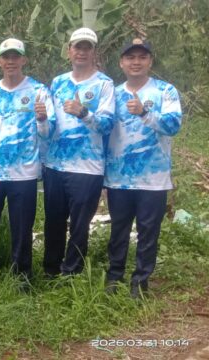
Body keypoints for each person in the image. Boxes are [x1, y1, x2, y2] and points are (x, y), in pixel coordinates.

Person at [0, 38, 55, 287]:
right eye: (5, 57)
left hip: (25, 174)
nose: (10, 61)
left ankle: (22, 277)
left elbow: (49, 133)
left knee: (22, 230)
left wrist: (42, 119)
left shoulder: (39, 91)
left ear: (24, 60)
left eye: (15, 56)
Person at [104, 38, 182, 299]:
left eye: (142, 57)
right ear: (121, 63)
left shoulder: (165, 91)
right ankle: (114, 277)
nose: (136, 62)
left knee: (148, 232)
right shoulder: (112, 93)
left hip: (153, 179)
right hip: (118, 179)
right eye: (130, 57)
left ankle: (140, 282)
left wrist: (144, 113)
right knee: (119, 230)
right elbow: (104, 131)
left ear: (150, 61)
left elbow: (173, 125)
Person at [43, 28, 115, 277]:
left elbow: (107, 125)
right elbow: (49, 124)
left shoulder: (105, 84)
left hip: (87, 168)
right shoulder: (58, 82)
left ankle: (71, 273)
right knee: (53, 221)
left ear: (94, 52)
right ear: (69, 51)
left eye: (87, 47)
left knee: (79, 225)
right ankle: (50, 271)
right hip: (54, 165)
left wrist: (84, 112)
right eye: (77, 47)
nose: (82, 52)